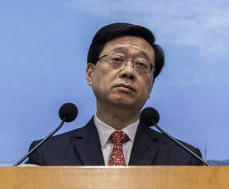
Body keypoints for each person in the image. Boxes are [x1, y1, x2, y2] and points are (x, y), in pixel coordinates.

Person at [27, 23, 203, 166]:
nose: (128, 71)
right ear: (90, 73)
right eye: (117, 59)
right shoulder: (47, 155)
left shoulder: (185, 160)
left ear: (151, 84)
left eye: (141, 64)